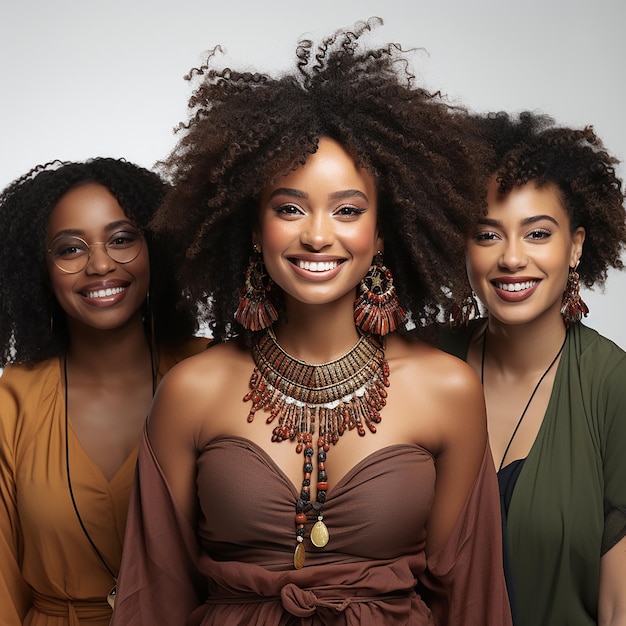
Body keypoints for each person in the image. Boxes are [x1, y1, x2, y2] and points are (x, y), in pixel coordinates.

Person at [110, 19, 512, 626]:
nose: (318, 234)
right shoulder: (191, 391)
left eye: (347, 210)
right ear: (253, 230)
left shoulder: (448, 390)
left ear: (380, 236)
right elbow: (155, 596)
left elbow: (472, 600)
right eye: (290, 208)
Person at [0, 157, 207, 625]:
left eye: (121, 239)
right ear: (40, 271)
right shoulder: (14, 397)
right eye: (70, 249)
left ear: (157, 247)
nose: (99, 264)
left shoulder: (215, 371)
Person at [441, 111, 626, 625]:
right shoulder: (424, 362)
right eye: (487, 234)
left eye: (538, 234)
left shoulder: (612, 386)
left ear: (577, 246)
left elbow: (619, 608)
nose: (512, 258)